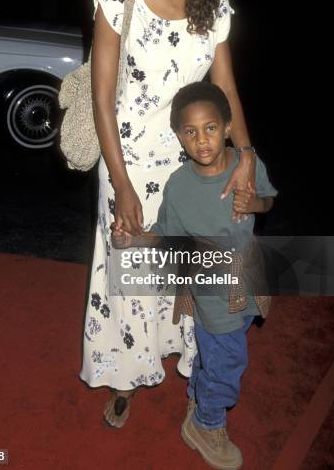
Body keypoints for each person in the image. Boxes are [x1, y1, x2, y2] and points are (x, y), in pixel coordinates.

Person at [80, 0, 258, 428]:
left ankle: (196, 369)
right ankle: (127, 374)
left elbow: (225, 87)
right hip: (128, 160)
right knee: (132, 270)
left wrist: (246, 154)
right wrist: (123, 183)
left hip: (196, 160)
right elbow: (102, 101)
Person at [112, 81, 277, 468]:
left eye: (211, 128)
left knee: (216, 353)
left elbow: (268, 200)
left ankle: (199, 395)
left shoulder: (246, 165)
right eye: (190, 131)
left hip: (246, 279)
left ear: (227, 126)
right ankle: (206, 421)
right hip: (211, 290)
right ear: (178, 137)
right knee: (228, 360)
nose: (202, 140)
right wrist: (130, 241)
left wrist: (255, 202)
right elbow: (166, 237)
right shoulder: (178, 186)